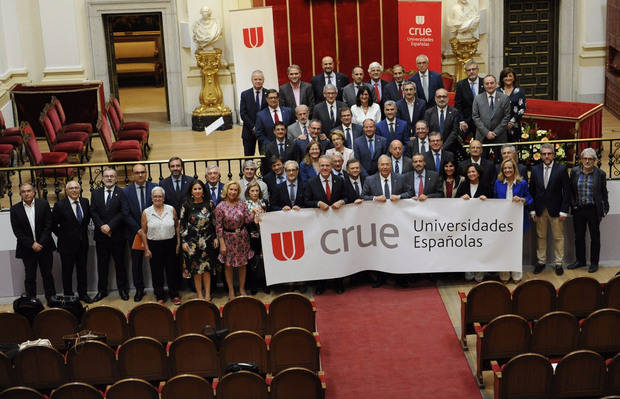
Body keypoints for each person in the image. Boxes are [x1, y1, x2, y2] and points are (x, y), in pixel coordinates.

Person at [304, 155, 361, 294]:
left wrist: (342, 201)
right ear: (319, 167)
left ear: (331, 167)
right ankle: (321, 284)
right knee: (321, 255)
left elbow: (349, 197)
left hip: (337, 226)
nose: (324, 168)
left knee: (337, 255)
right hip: (319, 227)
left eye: (327, 165)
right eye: (322, 165)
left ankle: (338, 282)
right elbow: (305, 201)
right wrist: (317, 203)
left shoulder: (340, 181)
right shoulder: (311, 183)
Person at [529, 143, 570, 276]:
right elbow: (532, 191)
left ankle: (558, 263)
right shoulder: (535, 170)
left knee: (558, 237)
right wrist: (532, 210)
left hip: (556, 210)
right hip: (540, 210)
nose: (546, 156)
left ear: (553, 154)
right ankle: (541, 262)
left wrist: (564, 210)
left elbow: (567, 191)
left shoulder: (561, 169)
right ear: (541, 155)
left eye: (549, 154)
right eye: (544, 154)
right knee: (541, 237)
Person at [10, 183, 56, 301]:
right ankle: (31, 302)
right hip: (27, 249)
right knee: (30, 277)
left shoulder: (43, 204)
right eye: (23, 192)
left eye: (29, 191)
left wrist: (40, 243)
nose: (26, 193)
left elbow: (48, 225)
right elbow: (17, 232)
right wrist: (32, 244)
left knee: (47, 275)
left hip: (44, 246)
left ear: (34, 192)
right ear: (20, 194)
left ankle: (51, 299)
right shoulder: (15, 209)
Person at [567, 148, 609, 273]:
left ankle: (594, 263)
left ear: (594, 161)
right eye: (585, 158)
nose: (587, 161)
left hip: (593, 210)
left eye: (590, 159)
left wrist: (605, 208)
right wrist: (573, 204)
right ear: (581, 160)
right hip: (578, 209)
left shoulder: (600, 174)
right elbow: (571, 191)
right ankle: (580, 261)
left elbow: (603, 193)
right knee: (579, 237)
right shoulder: (574, 172)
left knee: (595, 238)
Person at [215, 181, 259, 298]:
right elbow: (218, 227)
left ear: (238, 191)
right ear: (226, 191)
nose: (233, 192)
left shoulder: (242, 204)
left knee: (243, 264)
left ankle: (241, 289)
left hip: (242, 238)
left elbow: (247, 221)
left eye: (235, 190)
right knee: (228, 266)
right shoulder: (220, 206)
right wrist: (222, 244)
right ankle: (231, 291)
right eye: (231, 189)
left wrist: (253, 213)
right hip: (228, 239)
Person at [91, 168, 128, 302]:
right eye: (106, 176)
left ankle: (123, 290)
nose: (109, 178)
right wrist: (102, 226)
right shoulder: (95, 193)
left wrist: (110, 226)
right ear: (102, 178)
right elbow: (93, 212)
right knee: (102, 265)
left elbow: (124, 212)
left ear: (116, 178)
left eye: (112, 176)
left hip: (117, 235)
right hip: (101, 236)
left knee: (120, 265)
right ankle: (102, 291)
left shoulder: (122, 193)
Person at [139, 186, 180, 305]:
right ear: (152, 198)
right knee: (157, 272)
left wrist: (178, 242)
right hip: (154, 245)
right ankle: (160, 296)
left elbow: (177, 225)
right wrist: (146, 249)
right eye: (155, 196)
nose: (158, 198)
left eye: (160, 196)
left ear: (164, 197)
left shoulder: (171, 209)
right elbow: (143, 231)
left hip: (170, 243)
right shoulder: (146, 212)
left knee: (172, 270)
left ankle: (174, 295)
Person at [122, 163, 157, 302]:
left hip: (154, 232)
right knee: (136, 263)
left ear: (146, 173)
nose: (140, 175)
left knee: (156, 262)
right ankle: (139, 290)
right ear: (132, 175)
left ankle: (158, 289)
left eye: (142, 172)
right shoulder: (126, 191)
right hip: (134, 233)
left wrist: (148, 229)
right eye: (137, 173)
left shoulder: (155, 187)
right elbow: (125, 213)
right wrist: (139, 230)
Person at [52, 181, 92, 303]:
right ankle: (68, 296)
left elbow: (86, 221)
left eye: (76, 188)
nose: (74, 190)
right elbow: (53, 225)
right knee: (67, 272)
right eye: (71, 188)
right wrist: (64, 236)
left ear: (80, 189)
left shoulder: (85, 202)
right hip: (66, 246)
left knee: (82, 271)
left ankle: (83, 294)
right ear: (66, 190)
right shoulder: (59, 205)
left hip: (82, 244)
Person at [493, 158, 533, 282]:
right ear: (502, 170)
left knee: (515, 247)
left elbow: (529, 198)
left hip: (517, 221)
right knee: (503, 247)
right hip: (502, 221)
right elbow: (494, 200)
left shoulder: (522, 183)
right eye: (505, 168)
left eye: (510, 168)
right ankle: (504, 274)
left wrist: (522, 199)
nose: (507, 170)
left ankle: (516, 274)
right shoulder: (498, 183)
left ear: (514, 169)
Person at [179, 179, 218, 301]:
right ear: (191, 191)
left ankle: (207, 295)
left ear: (203, 190)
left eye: (199, 189)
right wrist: (183, 241)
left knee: (206, 269)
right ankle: (200, 295)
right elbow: (182, 224)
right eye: (195, 189)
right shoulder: (186, 205)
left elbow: (215, 223)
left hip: (208, 241)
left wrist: (216, 237)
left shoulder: (210, 204)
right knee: (196, 270)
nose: (197, 191)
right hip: (192, 242)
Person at [456, 163, 491, 282]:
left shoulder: (485, 185)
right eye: (469, 172)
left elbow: (494, 202)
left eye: (473, 172)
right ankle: (469, 271)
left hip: (481, 224)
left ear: (478, 173)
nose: (471, 174)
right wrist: (461, 198)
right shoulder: (463, 185)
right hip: (466, 223)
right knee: (468, 246)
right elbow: (454, 202)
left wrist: (486, 200)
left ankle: (480, 272)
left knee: (480, 247)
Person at [472, 75, 511, 150]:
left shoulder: (504, 98)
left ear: (496, 84)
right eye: (487, 83)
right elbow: (475, 117)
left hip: (500, 136)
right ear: (483, 85)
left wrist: (495, 132)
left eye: (492, 83)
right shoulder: (477, 98)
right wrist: (486, 132)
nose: (489, 85)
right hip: (482, 136)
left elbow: (507, 117)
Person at [424, 88, 463, 157]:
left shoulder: (455, 112)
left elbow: (454, 132)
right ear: (435, 98)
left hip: (450, 148)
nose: (442, 99)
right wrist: (435, 144)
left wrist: (443, 147)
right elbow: (427, 131)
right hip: (432, 148)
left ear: (448, 98)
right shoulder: (428, 112)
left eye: (444, 97)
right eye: (439, 97)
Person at [244, 182, 268, 294]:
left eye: (257, 191)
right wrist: (253, 216)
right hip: (251, 235)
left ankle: (265, 284)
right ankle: (253, 285)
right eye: (252, 191)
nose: (255, 193)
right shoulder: (244, 204)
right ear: (248, 192)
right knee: (252, 259)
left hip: (264, 234)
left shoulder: (264, 203)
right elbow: (245, 221)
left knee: (264, 259)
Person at [239, 70, 267, 156]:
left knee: (265, 156)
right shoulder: (245, 94)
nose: (258, 81)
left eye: (260, 79)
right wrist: (253, 127)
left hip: (264, 131)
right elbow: (243, 113)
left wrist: (260, 127)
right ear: (252, 80)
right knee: (248, 157)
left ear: (263, 80)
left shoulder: (268, 93)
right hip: (249, 131)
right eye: (255, 79)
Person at [454, 60, 484, 139]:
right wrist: (461, 121)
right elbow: (458, 105)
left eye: (473, 69)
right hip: (466, 120)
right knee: (458, 139)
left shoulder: (484, 83)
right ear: (465, 72)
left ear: (478, 70)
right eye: (468, 70)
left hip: (483, 120)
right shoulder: (460, 85)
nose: (471, 72)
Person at [498, 67, 526, 142]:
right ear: (502, 78)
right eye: (505, 76)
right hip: (499, 126)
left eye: (510, 76)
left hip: (515, 125)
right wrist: (503, 123)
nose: (508, 78)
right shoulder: (497, 91)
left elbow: (522, 109)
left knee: (514, 149)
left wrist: (512, 121)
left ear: (514, 78)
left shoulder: (520, 91)